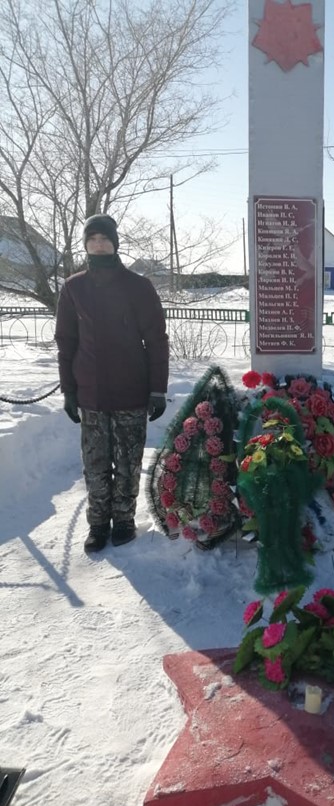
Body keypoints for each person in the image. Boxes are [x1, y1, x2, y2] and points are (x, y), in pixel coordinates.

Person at [55, 214, 169, 554]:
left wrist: (157, 389)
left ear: (115, 242)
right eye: (93, 239)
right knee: (96, 464)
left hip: (131, 392)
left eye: (105, 238)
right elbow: (66, 341)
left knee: (129, 460)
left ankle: (123, 521)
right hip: (90, 393)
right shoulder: (74, 287)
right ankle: (97, 524)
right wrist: (68, 390)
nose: (99, 244)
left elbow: (156, 340)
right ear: (86, 244)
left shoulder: (138, 286)